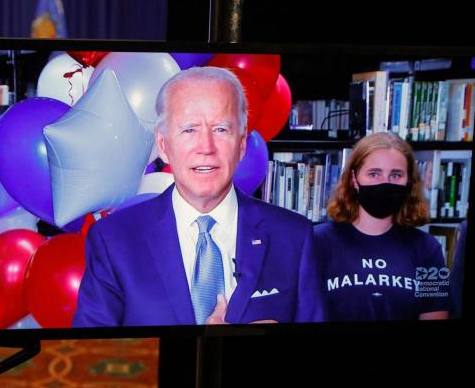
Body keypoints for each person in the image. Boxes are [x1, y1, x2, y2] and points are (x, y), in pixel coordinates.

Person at [72, 66, 324, 327]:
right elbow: (91, 360)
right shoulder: (113, 240)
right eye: (189, 130)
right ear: (163, 145)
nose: (206, 147)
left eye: (221, 129)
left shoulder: (293, 236)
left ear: (241, 144)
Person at [314, 132, 451, 321]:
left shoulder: (428, 248)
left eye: (396, 175)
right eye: (374, 174)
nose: (385, 183)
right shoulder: (317, 242)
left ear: (408, 182)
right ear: (354, 179)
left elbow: (436, 314)